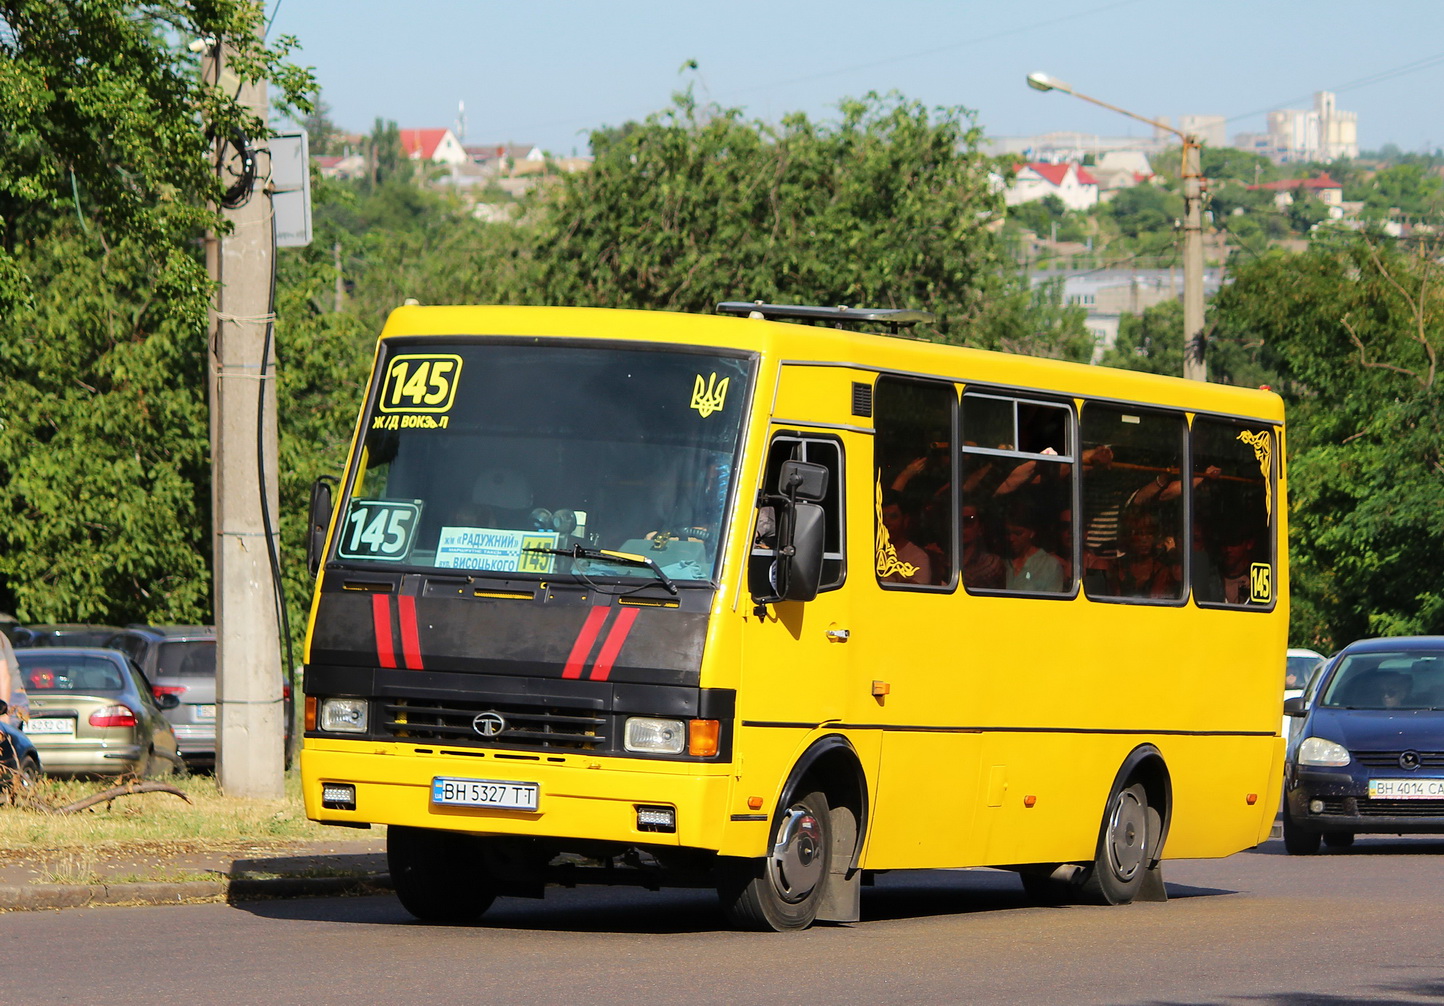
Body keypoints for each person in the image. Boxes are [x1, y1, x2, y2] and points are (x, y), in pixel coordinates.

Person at [1003, 507, 1065, 593]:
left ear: (1032, 532)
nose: (1011, 538)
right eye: (1008, 533)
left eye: (1018, 533)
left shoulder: (1049, 566)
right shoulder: (1001, 561)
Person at [879, 493, 932, 585]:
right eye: (882, 517)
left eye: (893, 517)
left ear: (905, 520)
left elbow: (918, 595)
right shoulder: (867, 553)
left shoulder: (919, 557)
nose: (886, 522)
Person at [961, 503, 1005, 589]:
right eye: (959, 520)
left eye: (969, 520)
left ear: (980, 528)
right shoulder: (945, 559)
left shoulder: (991, 563)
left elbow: (969, 582)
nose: (962, 526)